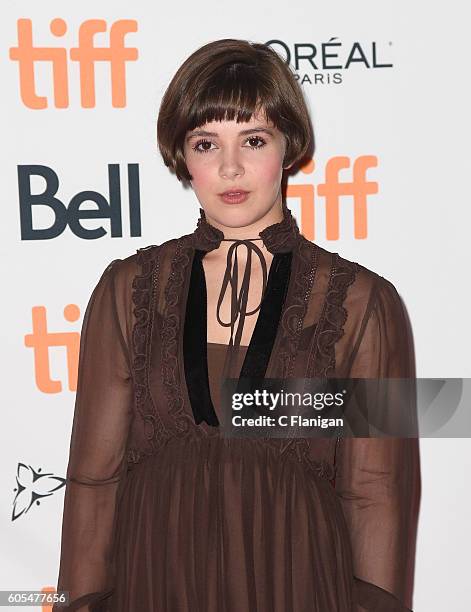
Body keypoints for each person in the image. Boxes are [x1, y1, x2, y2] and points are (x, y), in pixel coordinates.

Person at [53, 39, 421, 611]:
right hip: (157, 582)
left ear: (288, 146)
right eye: (206, 144)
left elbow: (378, 492)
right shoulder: (129, 290)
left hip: (297, 585)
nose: (230, 168)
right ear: (182, 156)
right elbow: (93, 480)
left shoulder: (364, 304)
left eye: (253, 140)